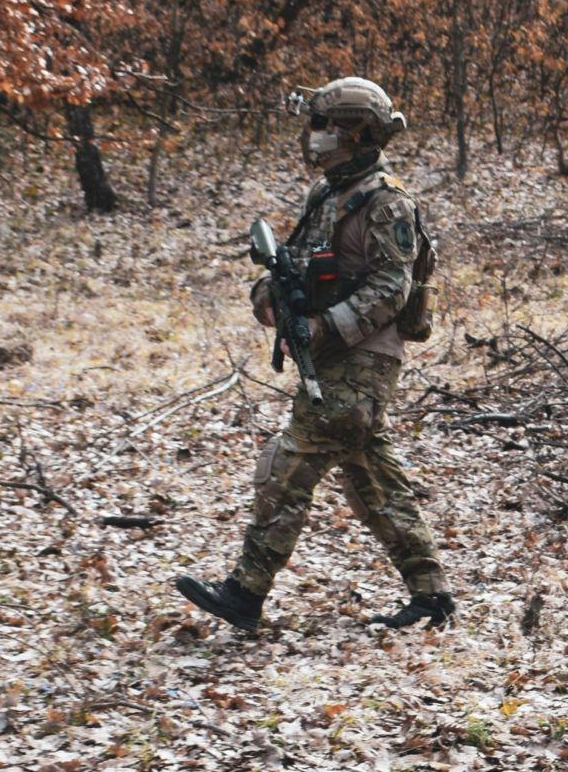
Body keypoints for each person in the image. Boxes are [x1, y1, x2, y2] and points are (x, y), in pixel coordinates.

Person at [174, 76, 453, 632]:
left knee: (288, 465)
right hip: (333, 358)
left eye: (326, 125)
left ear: (355, 133)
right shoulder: (326, 193)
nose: (316, 136)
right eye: (315, 125)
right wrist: (270, 300)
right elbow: (296, 262)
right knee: (373, 479)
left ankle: (244, 593)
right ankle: (431, 595)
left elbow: (392, 289)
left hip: (366, 358)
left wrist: (324, 325)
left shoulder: (387, 203)